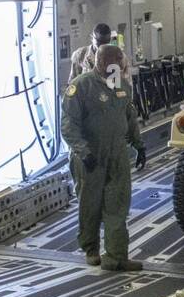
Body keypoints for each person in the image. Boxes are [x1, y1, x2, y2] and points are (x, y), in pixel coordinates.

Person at [61, 44, 147, 272]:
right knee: (90, 205)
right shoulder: (81, 86)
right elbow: (69, 126)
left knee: (117, 204)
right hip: (90, 156)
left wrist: (139, 145)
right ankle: (91, 249)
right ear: (102, 64)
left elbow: (129, 116)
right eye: (115, 63)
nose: (119, 67)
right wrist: (83, 152)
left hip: (117, 153)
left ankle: (116, 257)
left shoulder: (121, 85)